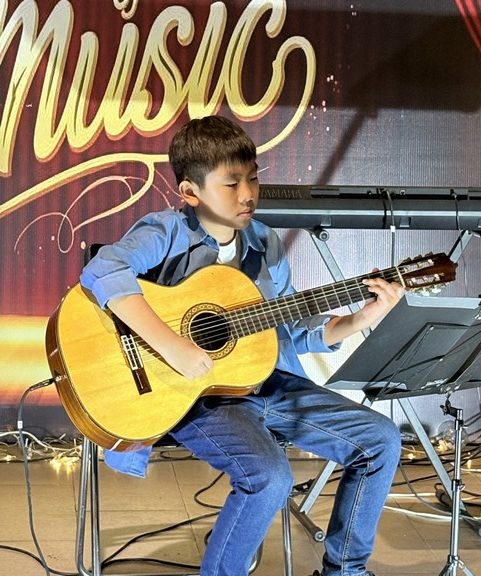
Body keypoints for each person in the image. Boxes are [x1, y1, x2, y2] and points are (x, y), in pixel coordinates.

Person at [80, 115, 404, 576]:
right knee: (269, 477)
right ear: (190, 192)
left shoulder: (265, 242)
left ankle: (345, 572)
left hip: (265, 385)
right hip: (191, 398)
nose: (247, 193)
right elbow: (102, 271)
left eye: (252, 178)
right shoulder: (166, 231)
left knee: (381, 439)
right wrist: (172, 346)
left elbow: (290, 330)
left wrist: (361, 318)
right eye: (231, 184)